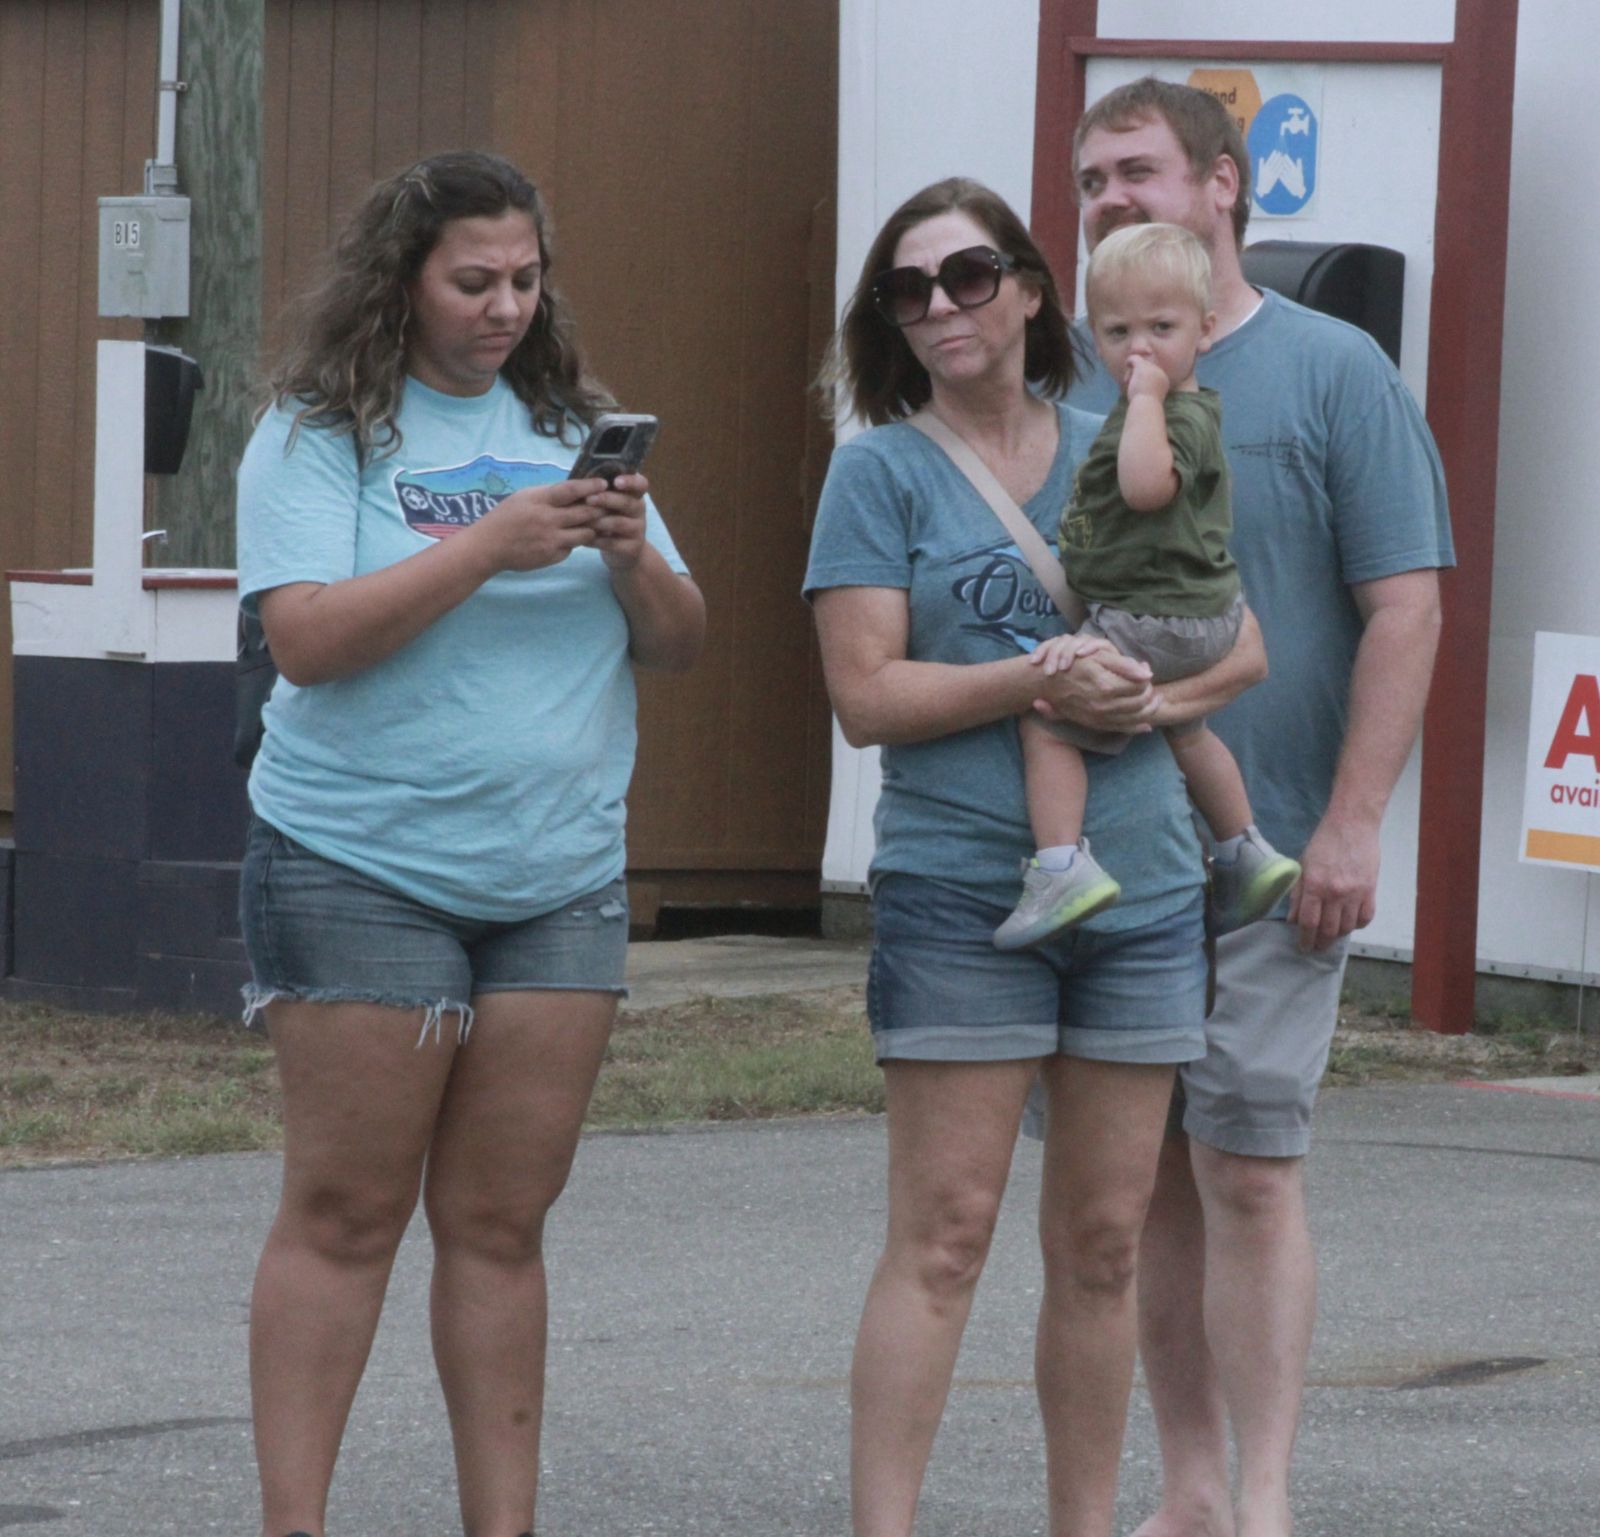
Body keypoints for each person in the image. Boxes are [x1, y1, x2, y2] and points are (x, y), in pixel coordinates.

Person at [234, 150, 706, 1537]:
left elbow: (680, 642)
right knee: (346, 1210)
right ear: (403, 282)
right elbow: (304, 641)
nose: (505, 306)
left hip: (557, 874)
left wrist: (623, 553)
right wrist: (486, 547)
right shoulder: (323, 431)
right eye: (473, 281)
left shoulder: (570, 418)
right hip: (359, 864)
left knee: (502, 1224)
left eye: (526, 277)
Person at [804, 176, 1266, 1537]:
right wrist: (1039, 680)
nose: (940, 306)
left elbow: (1243, 640)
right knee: (945, 1236)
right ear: (887, 323)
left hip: (1145, 888)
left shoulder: (1131, 432)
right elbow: (866, 697)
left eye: (966, 276)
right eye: (907, 290)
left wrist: (1152, 704)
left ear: (1027, 289)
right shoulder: (877, 468)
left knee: (1107, 1246)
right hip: (961, 887)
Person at [1068, 79, 1452, 1537]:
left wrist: (1356, 826)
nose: (1110, 196)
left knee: (1245, 1163)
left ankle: (1270, 1499)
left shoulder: (1334, 367)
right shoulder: (1077, 379)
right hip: (1112, 851)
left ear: (1225, 186)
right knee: (1143, 1181)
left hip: (1274, 848)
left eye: (1139, 170)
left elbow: (1404, 609)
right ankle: (1193, 1489)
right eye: (1092, 178)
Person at [996, 221, 1300, 951]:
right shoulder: (1176, 409)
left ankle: (1063, 863)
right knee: (1187, 727)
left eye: (1161, 327)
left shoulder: (1175, 416)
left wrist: (1144, 401)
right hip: (1199, 616)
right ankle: (1243, 847)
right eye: (1116, 329)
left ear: (1206, 328)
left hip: (1154, 617)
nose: (1138, 348)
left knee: (1045, 721)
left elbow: (1141, 488)